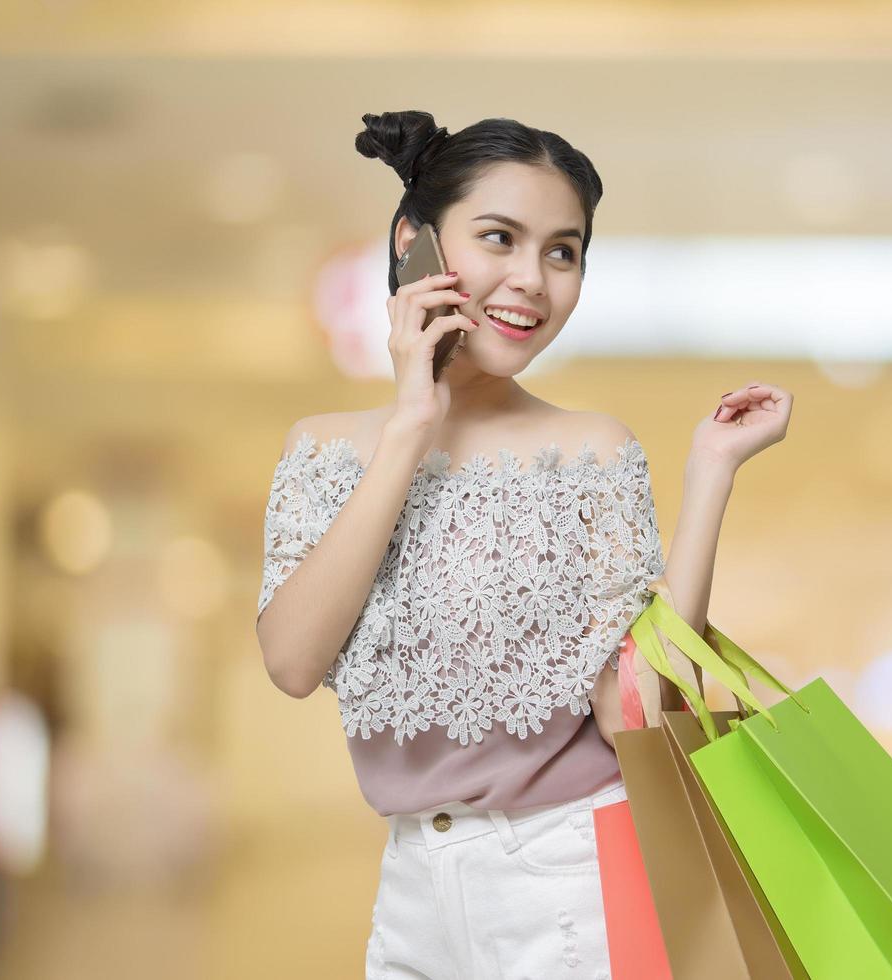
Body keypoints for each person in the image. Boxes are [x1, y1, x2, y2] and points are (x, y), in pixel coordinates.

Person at [253, 109, 793, 979]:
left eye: (563, 252)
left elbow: (635, 716)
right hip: (410, 891)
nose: (532, 282)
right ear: (414, 243)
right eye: (499, 237)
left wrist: (712, 475)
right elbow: (291, 661)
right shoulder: (323, 447)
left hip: (568, 878)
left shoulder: (592, 452)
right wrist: (409, 426)